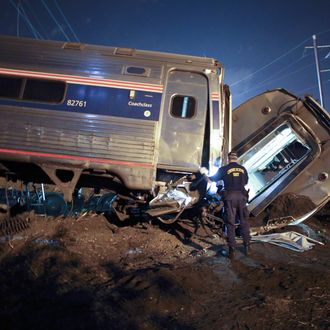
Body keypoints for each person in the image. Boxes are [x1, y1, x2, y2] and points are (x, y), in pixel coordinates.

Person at [208, 151, 251, 258]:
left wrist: (204, 174)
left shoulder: (224, 169)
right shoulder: (243, 169)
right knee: (244, 222)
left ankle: (232, 250)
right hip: (242, 197)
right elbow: (245, 182)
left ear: (228, 159)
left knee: (230, 223)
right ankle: (247, 247)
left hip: (230, 198)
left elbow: (213, 179)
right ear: (237, 159)